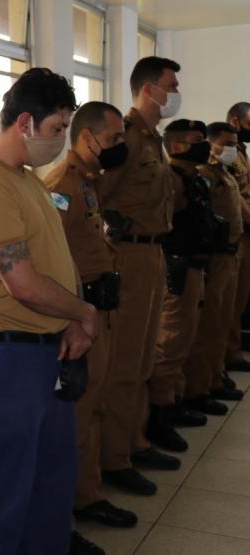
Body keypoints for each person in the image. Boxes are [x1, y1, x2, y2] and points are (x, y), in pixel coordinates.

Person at [0, 68, 96, 555]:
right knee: (6, 492)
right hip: (14, 358)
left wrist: (72, 320)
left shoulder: (29, 182)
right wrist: (83, 312)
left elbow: (56, 262)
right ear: (25, 122)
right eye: (58, 129)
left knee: (50, 484)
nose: (62, 140)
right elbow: (20, 282)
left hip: (48, 352)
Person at [44, 102, 138, 537]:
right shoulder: (61, 186)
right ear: (87, 138)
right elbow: (53, 259)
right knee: (78, 417)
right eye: (116, 138)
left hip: (98, 308)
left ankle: (89, 494)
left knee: (95, 405)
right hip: (78, 314)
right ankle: (67, 516)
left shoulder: (87, 183)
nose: (121, 145)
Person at [98, 56, 182, 497]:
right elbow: (97, 194)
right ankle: (114, 458)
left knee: (146, 357)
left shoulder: (154, 139)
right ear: (150, 89)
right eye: (171, 84)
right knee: (126, 362)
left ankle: (135, 441)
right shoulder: (127, 138)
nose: (176, 91)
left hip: (153, 255)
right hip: (128, 258)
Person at [153, 120, 225, 431]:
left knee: (185, 342)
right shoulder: (171, 179)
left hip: (197, 265)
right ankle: (160, 412)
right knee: (170, 344)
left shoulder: (194, 177)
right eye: (197, 140)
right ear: (178, 146)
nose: (204, 145)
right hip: (178, 269)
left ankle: (176, 399)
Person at [180, 122, 245, 407]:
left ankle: (215, 377)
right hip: (214, 258)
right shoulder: (204, 175)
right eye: (227, 144)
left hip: (232, 254)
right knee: (208, 326)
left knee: (222, 320)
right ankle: (199, 387)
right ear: (212, 144)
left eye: (235, 144)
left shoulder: (224, 173)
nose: (233, 149)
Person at [224, 102, 250, 372]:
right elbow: (234, 197)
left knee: (240, 298)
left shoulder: (241, 151)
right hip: (237, 233)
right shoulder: (226, 153)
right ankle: (226, 355)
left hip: (245, 232)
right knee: (230, 301)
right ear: (235, 121)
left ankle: (231, 353)